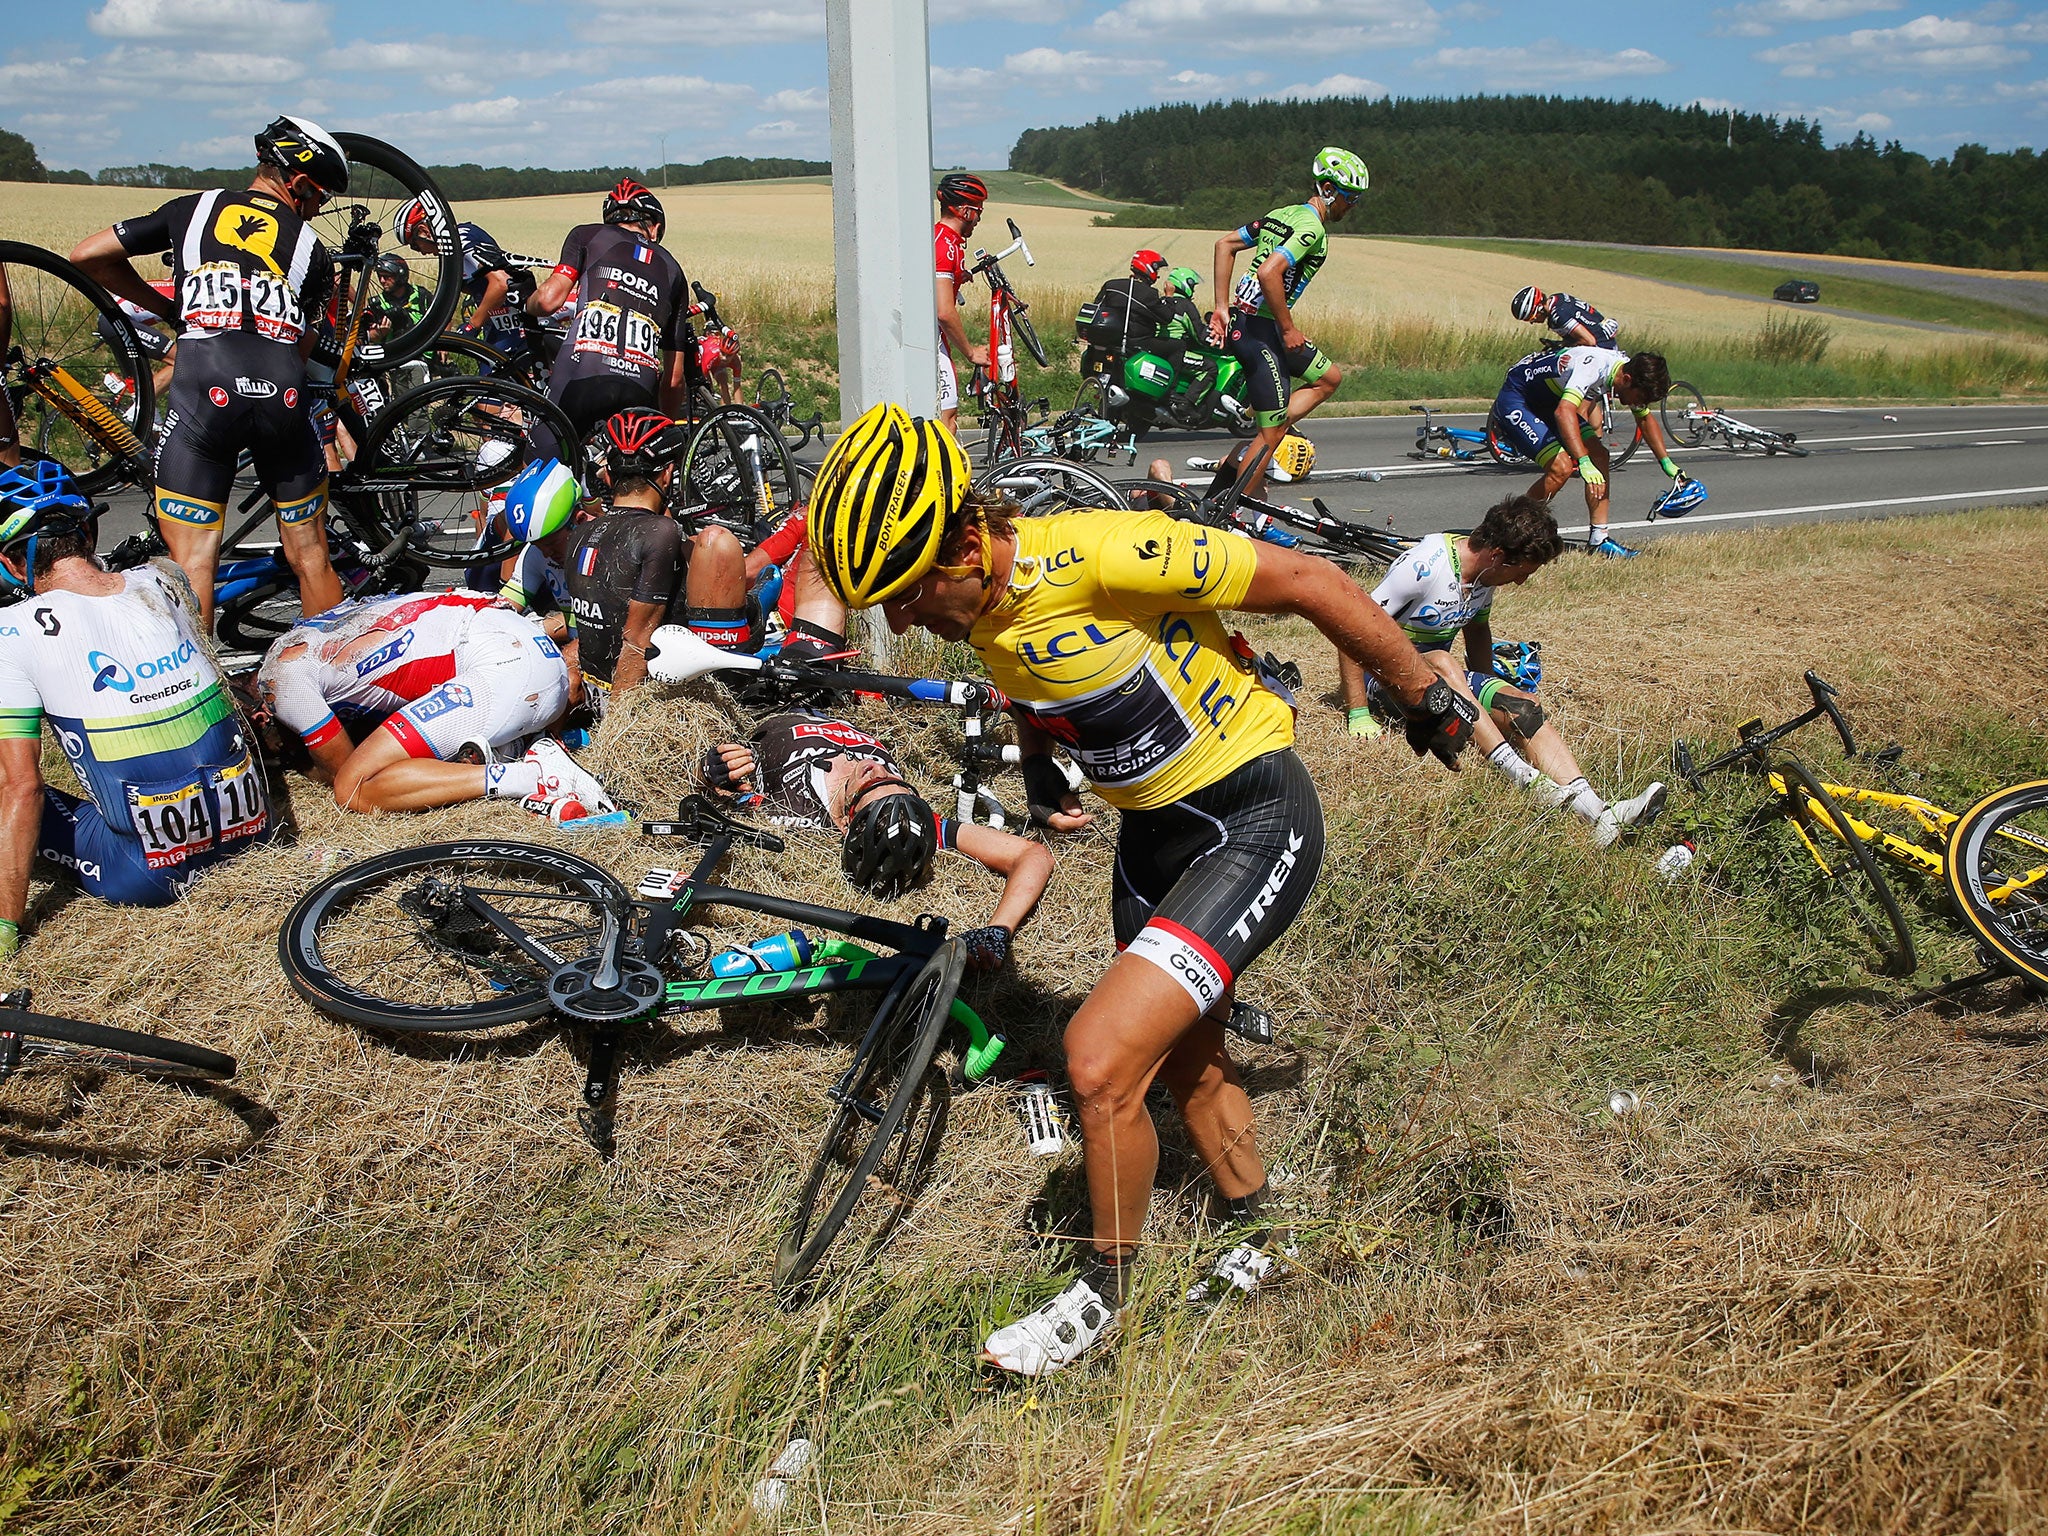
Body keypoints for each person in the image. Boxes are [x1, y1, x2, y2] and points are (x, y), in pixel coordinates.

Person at [805, 404, 1481, 1376]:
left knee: (1095, 1058)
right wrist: (1040, 770)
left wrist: (1418, 693)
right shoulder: (983, 611)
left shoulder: (1095, 553)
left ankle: (1102, 1294)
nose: (903, 620)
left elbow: (1310, 581)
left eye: (908, 592)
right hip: (1155, 840)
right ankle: (1261, 1228)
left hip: (1250, 815)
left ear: (962, 541)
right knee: (1183, 1063)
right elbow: (1028, 677)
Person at [69, 114, 348, 634]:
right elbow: (306, 342)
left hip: (205, 395)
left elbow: (87, 255)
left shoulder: (190, 209)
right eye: (320, 199)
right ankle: (329, 684)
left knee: (196, 563)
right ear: (300, 182)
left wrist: (170, 310)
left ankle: (203, 699)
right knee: (312, 557)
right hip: (282, 399)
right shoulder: (314, 252)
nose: (317, 210)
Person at [0, 464, 269, 949]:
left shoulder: (12, 631)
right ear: (89, 530)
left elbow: (22, 787)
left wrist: (5, 927)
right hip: (252, 832)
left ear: (12, 563)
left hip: (149, 873)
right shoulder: (160, 580)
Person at [1338, 495, 1667, 847]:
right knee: (1442, 661)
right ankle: (1524, 778)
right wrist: (1358, 714)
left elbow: (1477, 632)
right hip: (1385, 681)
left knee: (1521, 706)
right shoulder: (1424, 566)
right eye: (1521, 572)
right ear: (1497, 556)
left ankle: (1600, 812)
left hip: (1439, 680)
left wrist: (1490, 694)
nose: (1521, 582)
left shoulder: (1484, 575)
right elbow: (1351, 632)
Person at [696, 711, 1053, 970]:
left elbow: (715, 790)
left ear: (846, 821)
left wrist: (713, 770)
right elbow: (1032, 854)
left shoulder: (791, 809)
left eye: (871, 783)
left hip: (779, 702)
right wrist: (997, 932)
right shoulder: (915, 821)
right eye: (892, 778)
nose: (876, 768)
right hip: (837, 696)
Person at [254, 587, 609, 817]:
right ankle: (519, 746)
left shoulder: (279, 682)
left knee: (354, 788)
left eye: (271, 752)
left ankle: (530, 777)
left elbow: (340, 770)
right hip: (516, 647)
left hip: (506, 667)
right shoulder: (298, 639)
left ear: (259, 716)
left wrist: (297, 761)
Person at [1205, 147, 1368, 502]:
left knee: (1329, 379)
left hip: (1253, 326)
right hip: (1261, 333)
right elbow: (1268, 272)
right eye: (1350, 196)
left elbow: (1224, 244)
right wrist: (1289, 327)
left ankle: (1266, 418)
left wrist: (1221, 307)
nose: (1352, 205)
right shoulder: (1311, 227)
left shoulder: (1283, 214)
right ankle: (1245, 517)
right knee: (1272, 437)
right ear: (1328, 189)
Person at [559, 408, 750, 704]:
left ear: (608, 476)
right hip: (636, 703)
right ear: (667, 474)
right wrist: (616, 730)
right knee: (720, 546)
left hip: (595, 688)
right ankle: (726, 694)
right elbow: (637, 639)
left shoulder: (582, 532)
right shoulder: (660, 532)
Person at [522, 180, 691, 463]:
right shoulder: (674, 269)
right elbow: (674, 380)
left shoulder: (588, 235)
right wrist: (662, 429)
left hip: (581, 376)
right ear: (656, 228)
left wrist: (525, 303)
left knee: (540, 473)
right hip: (640, 387)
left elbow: (549, 301)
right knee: (631, 483)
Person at [1491, 344, 1685, 558]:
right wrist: (1582, 461)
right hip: (1519, 399)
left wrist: (1667, 463)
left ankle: (1599, 538)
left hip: (1550, 401)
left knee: (1600, 456)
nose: (1639, 404)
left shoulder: (1625, 372)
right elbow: (1564, 412)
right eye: (1640, 398)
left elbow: (1644, 419)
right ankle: (1512, 532)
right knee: (1561, 468)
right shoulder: (1592, 366)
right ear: (1627, 379)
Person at [400, 203, 528, 354]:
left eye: (415, 246)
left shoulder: (461, 239)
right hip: (497, 325)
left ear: (423, 231)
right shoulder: (449, 252)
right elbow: (453, 294)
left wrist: (472, 326)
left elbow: (501, 283)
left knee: (492, 377)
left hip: (516, 323)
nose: (421, 252)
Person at [933, 173, 990, 437]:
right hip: (934, 339)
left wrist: (958, 276)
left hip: (934, 337)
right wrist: (971, 352)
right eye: (977, 211)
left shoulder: (943, 239)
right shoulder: (945, 247)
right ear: (964, 211)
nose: (978, 218)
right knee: (947, 422)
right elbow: (944, 311)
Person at [1078, 249, 1172, 380]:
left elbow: (1097, 307)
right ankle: (1171, 391)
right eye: (1157, 270)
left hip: (1110, 340)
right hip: (1136, 342)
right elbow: (1166, 318)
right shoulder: (1148, 294)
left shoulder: (1111, 285)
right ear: (1150, 268)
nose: (1157, 275)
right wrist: (1169, 297)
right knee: (1178, 346)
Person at [1509, 285, 1619, 349]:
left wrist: (1561, 346)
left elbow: (1589, 341)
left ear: (1539, 309)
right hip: (1605, 339)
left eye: (1531, 318)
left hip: (1602, 348)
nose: (1532, 322)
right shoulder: (1558, 297)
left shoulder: (1558, 317)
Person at [365, 251, 431, 346]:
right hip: (396, 356)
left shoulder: (422, 295)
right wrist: (379, 333)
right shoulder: (377, 304)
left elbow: (443, 315)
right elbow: (368, 337)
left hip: (425, 352)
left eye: (386, 276)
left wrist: (443, 347)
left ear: (400, 275)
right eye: (379, 276)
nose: (382, 280)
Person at [1159, 266, 1205, 343]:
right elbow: (1199, 334)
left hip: (1156, 346)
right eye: (1192, 286)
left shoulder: (1159, 301)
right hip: (1176, 347)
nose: (1193, 291)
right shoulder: (1185, 305)